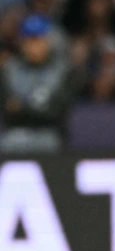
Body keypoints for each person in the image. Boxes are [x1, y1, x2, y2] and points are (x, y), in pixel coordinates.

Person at [0, 14, 74, 154]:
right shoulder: (9, 68)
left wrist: (22, 108)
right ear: (21, 42)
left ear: (48, 41)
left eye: (37, 39)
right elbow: (6, 110)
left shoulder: (63, 70)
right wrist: (35, 108)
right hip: (16, 133)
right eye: (28, 40)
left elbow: (56, 111)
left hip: (49, 133)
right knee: (7, 142)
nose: (33, 46)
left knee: (49, 142)